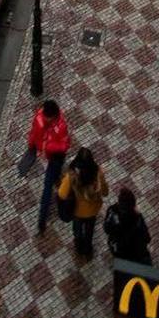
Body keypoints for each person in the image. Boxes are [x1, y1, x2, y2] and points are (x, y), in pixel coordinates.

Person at [26, 99, 72, 235]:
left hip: (55, 157)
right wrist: (31, 145)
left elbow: (65, 145)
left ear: (53, 116)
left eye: (48, 117)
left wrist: (48, 147)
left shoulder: (61, 125)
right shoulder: (39, 117)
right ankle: (57, 176)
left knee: (47, 187)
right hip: (48, 154)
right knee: (51, 180)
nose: (45, 118)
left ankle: (42, 219)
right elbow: (34, 132)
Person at [57, 148, 108, 260]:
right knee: (89, 231)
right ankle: (88, 249)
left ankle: (79, 248)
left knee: (78, 231)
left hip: (77, 212)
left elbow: (62, 194)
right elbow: (105, 192)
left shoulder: (72, 176)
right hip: (93, 211)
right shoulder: (98, 172)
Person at [104, 187, 152, 264]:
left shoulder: (112, 210)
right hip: (134, 253)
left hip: (117, 249)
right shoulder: (136, 218)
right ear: (133, 204)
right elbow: (146, 237)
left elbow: (106, 229)